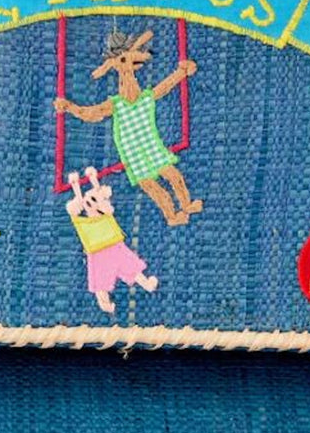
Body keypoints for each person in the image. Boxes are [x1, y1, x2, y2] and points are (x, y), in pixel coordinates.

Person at [55, 28, 202, 226]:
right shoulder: (117, 104)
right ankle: (172, 216)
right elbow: (91, 113)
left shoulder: (146, 98)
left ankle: (186, 204)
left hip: (152, 147)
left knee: (174, 176)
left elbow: (166, 84)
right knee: (154, 188)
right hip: (134, 155)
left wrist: (181, 73)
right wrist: (69, 107)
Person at [66, 166, 158, 313]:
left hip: (114, 248)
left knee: (131, 269)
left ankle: (147, 284)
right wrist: (77, 187)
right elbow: (79, 204)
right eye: (87, 200)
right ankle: (105, 305)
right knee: (101, 282)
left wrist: (92, 182)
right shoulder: (82, 221)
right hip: (98, 253)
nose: (89, 202)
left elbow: (101, 199)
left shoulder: (105, 214)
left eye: (93, 199)